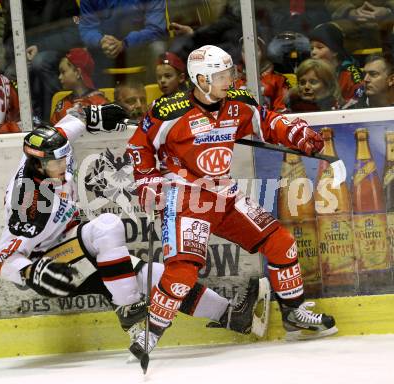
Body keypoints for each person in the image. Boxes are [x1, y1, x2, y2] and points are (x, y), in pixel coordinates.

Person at [126, 45, 338, 362]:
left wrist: (298, 133)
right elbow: (139, 146)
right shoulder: (169, 111)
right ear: (200, 79)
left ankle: (293, 313)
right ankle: (150, 332)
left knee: (281, 242)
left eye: (230, 73)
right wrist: (147, 180)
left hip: (224, 193)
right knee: (183, 271)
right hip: (186, 197)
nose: (229, 80)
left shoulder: (238, 104)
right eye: (221, 75)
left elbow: (269, 122)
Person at [0, 103, 269, 343]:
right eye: (58, 161)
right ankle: (129, 310)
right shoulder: (27, 203)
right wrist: (30, 273)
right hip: (54, 262)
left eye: (66, 155)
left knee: (149, 275)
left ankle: (231, 315)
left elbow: (75, 117)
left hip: (72, 237)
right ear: (38, 165)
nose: (66, 162)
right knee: (109, 227)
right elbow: (3, 257)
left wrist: (95, 115)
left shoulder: (52, 153)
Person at [78, 0, 167, 87]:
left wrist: (125, 43)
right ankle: (95, 97)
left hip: (139, 49)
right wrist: (100, 40)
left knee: (158, 48)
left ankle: (153, 94)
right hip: (104, 50)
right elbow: (87, 28)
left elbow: (156, 29)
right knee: (78, 55)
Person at [50, 48, 110, 125]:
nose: (59, 77)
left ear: (77, 72)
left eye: (63, 72)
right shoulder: (62, 104)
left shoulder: (99, 103)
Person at [309, 23, 363, 102]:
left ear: (335, 51)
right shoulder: (310, 73)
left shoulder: (350, 72)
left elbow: (359, 100)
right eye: (311, 48)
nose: (313, 52)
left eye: (319, 47)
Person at [235, 37, 289, 113]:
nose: (250, 54)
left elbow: (279, 110)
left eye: (255, 50)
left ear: (263, 52)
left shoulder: (277, 80)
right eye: (245, 50)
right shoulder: (233, 79)